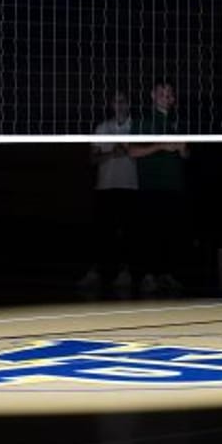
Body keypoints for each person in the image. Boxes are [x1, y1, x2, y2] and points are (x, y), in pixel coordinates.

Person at [127, 79, 188, 295]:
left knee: (171, 235)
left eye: (170, 92)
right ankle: (148, 276)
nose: (167, 96)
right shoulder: (142, 121)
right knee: (149, 234)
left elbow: (186, 155)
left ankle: (167, 274)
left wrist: (182, 150)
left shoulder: (178, 121)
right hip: (151, 187)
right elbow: (132, 152)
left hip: (174, 186)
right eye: (162, 92)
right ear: (153, 95)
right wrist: (160, 145)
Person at [78, 90, 138, 293]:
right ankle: (96, 272)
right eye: (115, 101)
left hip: (130, 186)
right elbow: (92, 160)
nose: (119, 105)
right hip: (105, 187)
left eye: (123, 101)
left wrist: (130, 153)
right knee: (103, 234)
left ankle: (125, 273)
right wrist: (112, 153)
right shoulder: (102, 128)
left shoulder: (136, 127)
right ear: (111, 105)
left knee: (128, 233)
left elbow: (145, 156)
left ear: (129, 104)